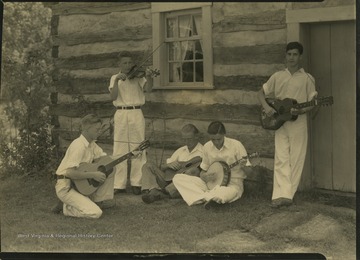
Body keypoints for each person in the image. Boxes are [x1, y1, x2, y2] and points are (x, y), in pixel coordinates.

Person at [257, 41, 317, 208]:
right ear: (285, 56)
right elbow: (261, 93)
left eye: (295, 54)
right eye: (289, 54)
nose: (292, 57)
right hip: (279, 121)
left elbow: (313, 102)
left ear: (300, 57)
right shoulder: (277, 76)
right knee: (281, 157)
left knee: (296, 157)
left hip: (298, 123)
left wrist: (302, 111)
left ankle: (289, 195)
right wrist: (267, 107)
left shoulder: (307, 78)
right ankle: (279, 195)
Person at [172, 121, 252, 209]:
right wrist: (204, 176)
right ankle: (207, 197)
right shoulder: (207, 147)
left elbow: (249, 172)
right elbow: (203, 170)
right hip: (210, 184)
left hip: (231, 185)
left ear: (224, 135)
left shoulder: (236, 145)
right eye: (213, 139)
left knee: (223, 194)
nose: (216, 142)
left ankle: (202, 197)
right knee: (178, 178)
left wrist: (243, 166)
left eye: (219, 139)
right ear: (209, 136)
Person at [52, 114, 115, 218]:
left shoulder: (92, 145)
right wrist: (93, 174)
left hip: (79, 184)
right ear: (86, 129)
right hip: (66, 186)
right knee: (96, 213)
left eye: (100, 129)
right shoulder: (78, 146)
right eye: (97, 129)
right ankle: (66, 208)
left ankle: (97, 201)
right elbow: (70, 172)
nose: (99, 132)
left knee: (110, 169)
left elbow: (105, 160)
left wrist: (130, 154)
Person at [108, 51, 154, 195]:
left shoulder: (138, 77)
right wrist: (116, 81)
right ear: (119, 64)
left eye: (130, 63)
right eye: (125, 63)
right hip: (121, 113)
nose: (128, 66)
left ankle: (137, 183)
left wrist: (149, 76)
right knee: (119, 147)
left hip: (136, 112)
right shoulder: (114, 78)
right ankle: (119, 184)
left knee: (138, 147)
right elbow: (113, 96)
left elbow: (148, 89)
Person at [141, 124, 204, 204]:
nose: (187, 142)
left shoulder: (203, 151)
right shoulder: (181, 150)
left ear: (196, 137)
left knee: (192, 171)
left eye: (189, 139)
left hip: (182, 185)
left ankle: (160, 193)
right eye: (184, 139)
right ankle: (151, 191)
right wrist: (168, 165)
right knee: (147, 165)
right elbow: (162, 168)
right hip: (169, 179)